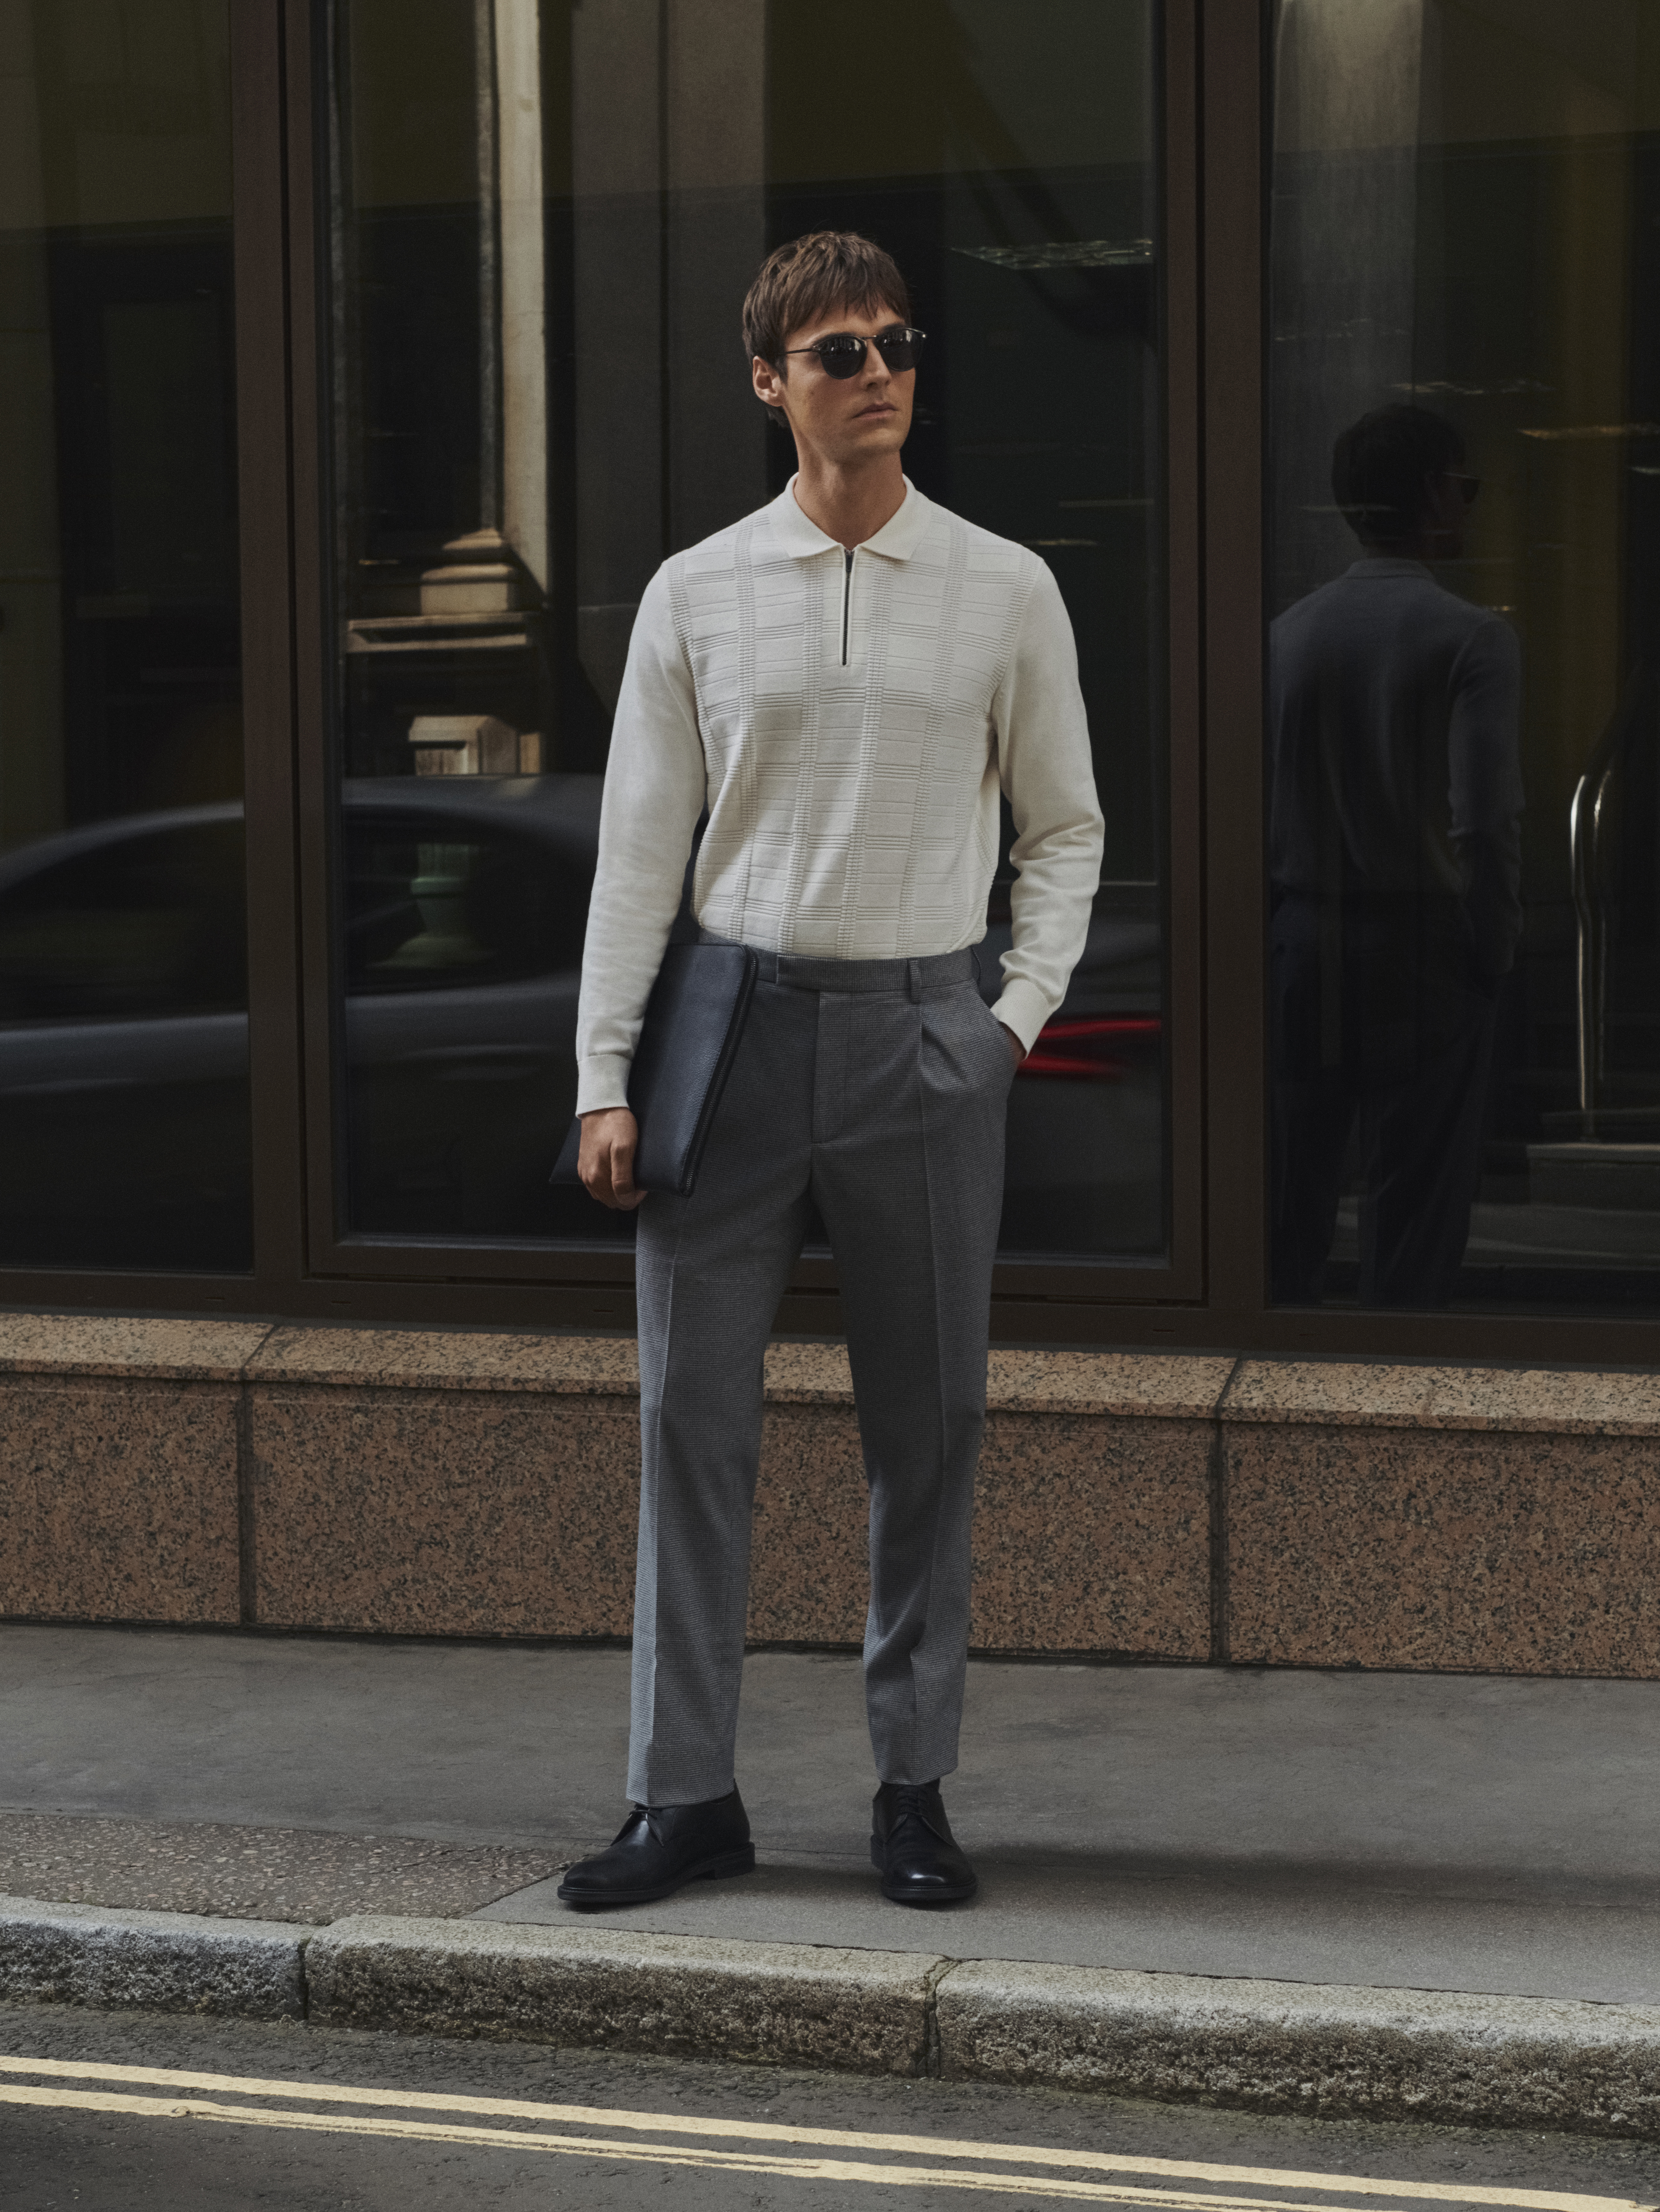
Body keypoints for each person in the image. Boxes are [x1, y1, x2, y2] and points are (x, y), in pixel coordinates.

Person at [555, 231, 1103, 1910]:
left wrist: (1001, 1024)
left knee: (924, 1425)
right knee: (686, 1421)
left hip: (920, 1043)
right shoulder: (694, 592)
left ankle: (910, 1787)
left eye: (894, 344)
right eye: (837, 352)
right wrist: (601, 1075)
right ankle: (681, 1796)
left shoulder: (1002, 587)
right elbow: (637, 855)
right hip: (725, 1035)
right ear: (768, 383)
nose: (876, 373)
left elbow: (1064, 830)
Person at [1269, 403, 1524, 1307]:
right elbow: (1482, 821)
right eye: (1468, 488)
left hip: (1302, 941)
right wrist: (1490, 951)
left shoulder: (1289, 636)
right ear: (1430, 494)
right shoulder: (1470, 638)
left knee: (1289, 1202)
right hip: (1420, 948)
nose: (1470, 505)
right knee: (1412, 1210)